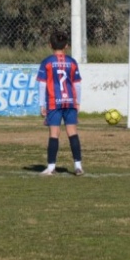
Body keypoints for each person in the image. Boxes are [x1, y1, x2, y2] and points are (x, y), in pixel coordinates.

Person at [36, 31, 83, 176]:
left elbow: (42, 85)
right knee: (72, 132)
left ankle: (51, 168)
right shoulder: (72, 62)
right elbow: (78, 85)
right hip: (70, 102)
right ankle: (78, 166)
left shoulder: (47, 62)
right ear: (67, 46)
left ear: (50, 45)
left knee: (54, 133)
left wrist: (41, 104)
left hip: (53, 102)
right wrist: (78, 102)